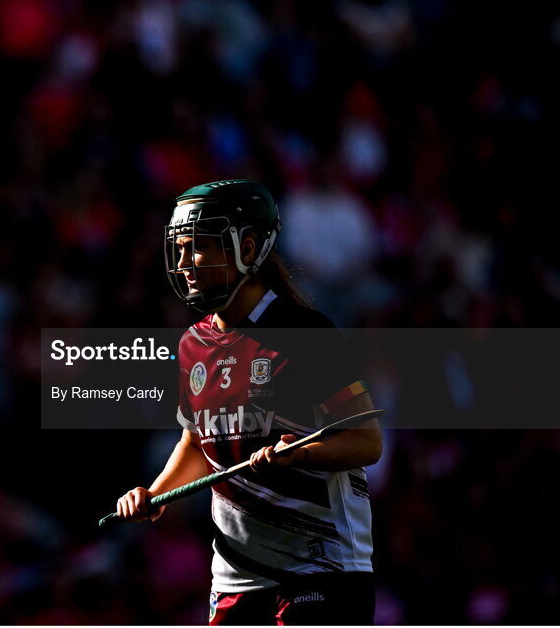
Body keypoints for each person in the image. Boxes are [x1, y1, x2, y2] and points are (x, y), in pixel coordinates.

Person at [115, 179, 382, 625]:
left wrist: (299, 455)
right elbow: (196, 443)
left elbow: (367, 441)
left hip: (322, 569)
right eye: (179, 249)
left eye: (198, 248)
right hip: (236, 579)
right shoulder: (193, 344)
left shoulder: (306, 333)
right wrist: (155, 494)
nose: (184, 264)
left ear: (247, 247)